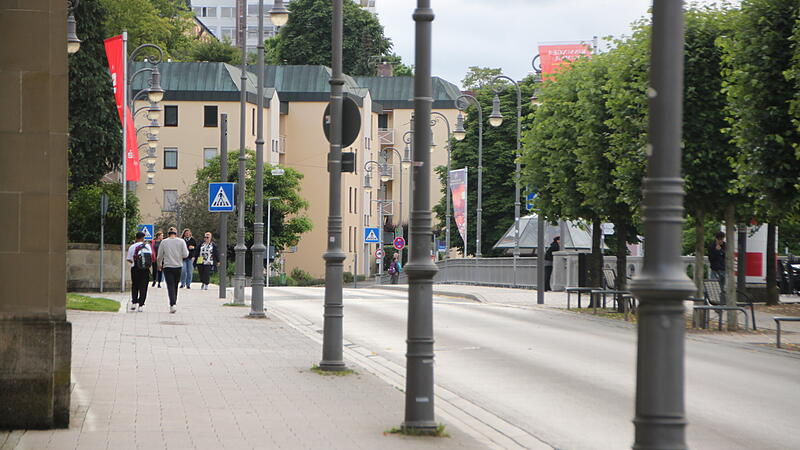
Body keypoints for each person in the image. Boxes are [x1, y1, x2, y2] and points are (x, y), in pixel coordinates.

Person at [158, 227, 189, 313]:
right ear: (176, 233)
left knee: (170, 285)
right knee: (175, 285)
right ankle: (174, 302)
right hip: (178, 266)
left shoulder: (164, 242)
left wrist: (159, 264)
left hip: (167, 266)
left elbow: (159, 255)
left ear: (168, 234)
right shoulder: (181, 241)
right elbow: (186, 254)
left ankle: (172, 304)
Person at [126, 231, 153, 312]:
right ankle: (141, 305)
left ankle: (134, 302)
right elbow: (150, 258)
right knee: (143, 287)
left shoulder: (132, 247)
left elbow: (129, 259)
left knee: (135, 285)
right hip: (145, 269)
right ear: (143, 238)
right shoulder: (147, 246)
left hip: (135, 268)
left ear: (136, 238)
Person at [708, 231, 726, 302]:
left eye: (721, 239)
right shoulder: (712, 246)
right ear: (716, 239)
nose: (720, 241)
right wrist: (717, 251)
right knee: (715, 287)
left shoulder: (725, 245)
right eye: (719, 239)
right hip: (715, 270)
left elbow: (726, 256)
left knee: (722, 288)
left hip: (723, 269)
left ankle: (721, 302)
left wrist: (720, 251)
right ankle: (716, 302)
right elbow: (711, 258)